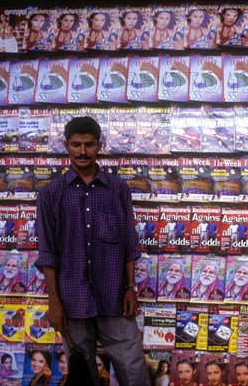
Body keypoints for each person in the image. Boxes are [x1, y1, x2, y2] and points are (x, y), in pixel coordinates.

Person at [36, 116, 148, 385]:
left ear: (100, 145)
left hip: (114, 295)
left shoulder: (117, 189)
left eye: (89, 144)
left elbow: (129, 242)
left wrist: (131, 288)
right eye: (76, 144)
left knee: (133, 369)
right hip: (72, 298)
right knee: (82, 374)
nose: (82, 151)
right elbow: (47, 252)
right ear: (66, 145)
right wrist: (54, 302)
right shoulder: (50, 194)